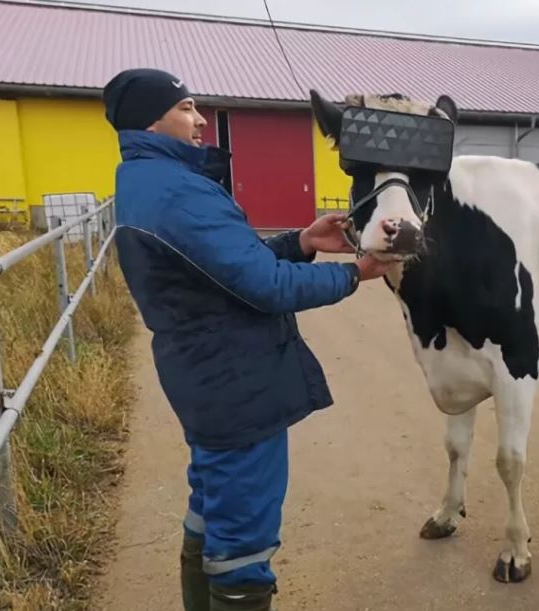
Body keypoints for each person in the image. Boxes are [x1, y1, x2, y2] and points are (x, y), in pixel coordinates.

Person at [102, 68, 391, 611]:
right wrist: (355, 273)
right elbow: (266, 285)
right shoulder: (177, 191)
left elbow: (228, 268)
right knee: (243, 544)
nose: (200, 118)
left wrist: (301, 242)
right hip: (234, 382)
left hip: (205, 374)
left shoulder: (148, 181)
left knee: (212, 510)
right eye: (186, 106)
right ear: (151, 118)